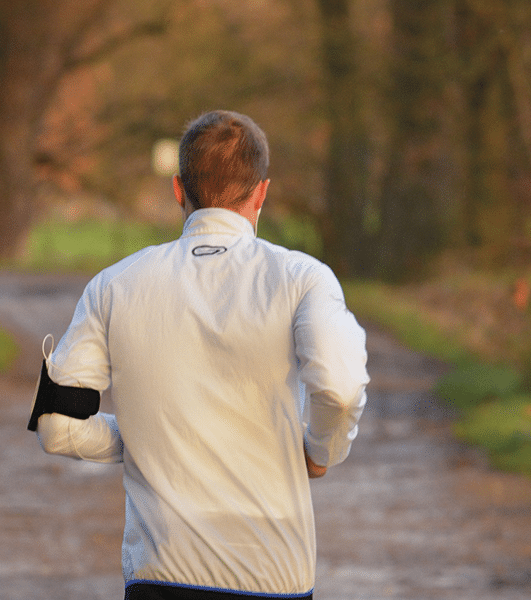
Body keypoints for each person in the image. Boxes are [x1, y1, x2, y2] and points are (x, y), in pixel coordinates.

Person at [30, 110, 369, 600]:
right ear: (261, 193)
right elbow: (339, 390)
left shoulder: (114, 284)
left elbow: (57, 426)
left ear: (178, 189)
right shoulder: (304, 278)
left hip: (159, 573)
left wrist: (149, 437)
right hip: (273, 575)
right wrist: (321, 451)